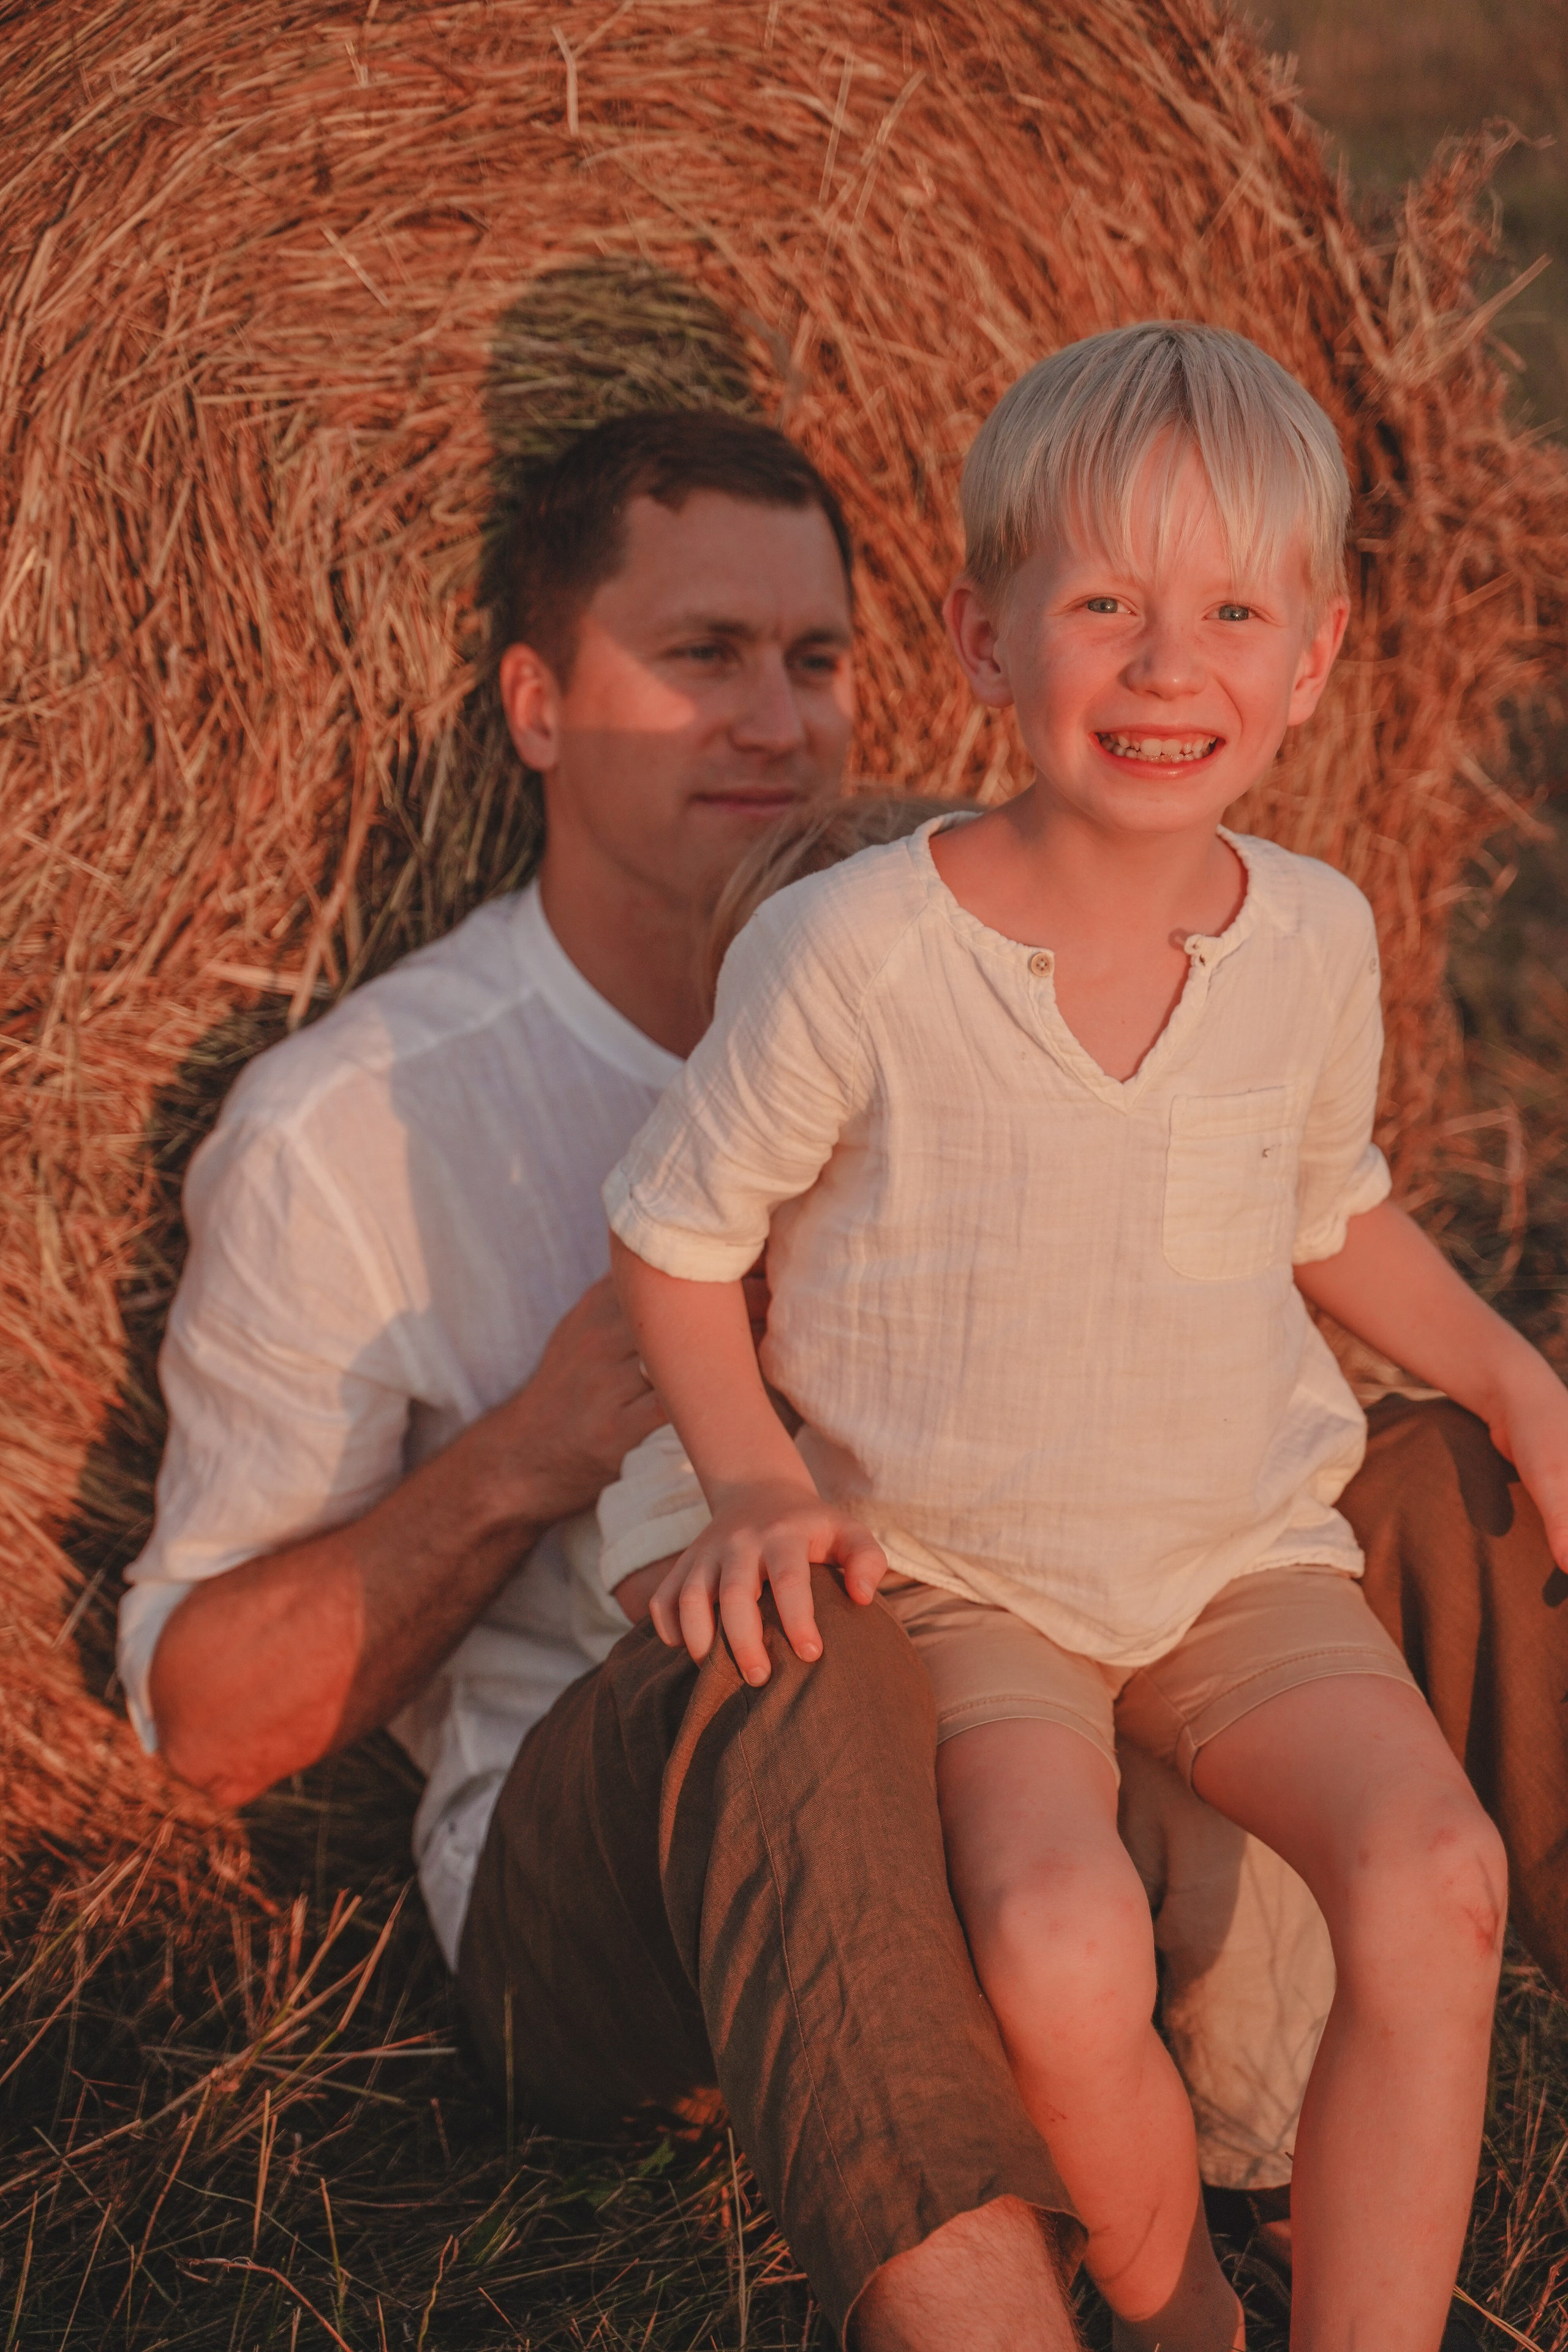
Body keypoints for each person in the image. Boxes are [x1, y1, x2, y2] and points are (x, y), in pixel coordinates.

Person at [119, 402, 1568, 2350]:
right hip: (647, 1855)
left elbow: (1299, 1222)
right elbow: (199, 1723)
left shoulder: (1108, 936)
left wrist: (1510, 1377)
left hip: (1087, 1644)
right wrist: (535, 1454)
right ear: (534, 704)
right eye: (698, 656)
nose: (779, 718)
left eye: (815, 658)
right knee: (808, 1638)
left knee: (1459, 1471)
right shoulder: (364, 1125)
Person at [606, 325, 1568, 2352]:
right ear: (979, 638)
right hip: (966, 1583)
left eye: (1232, 611)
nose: (1165, 666)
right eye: (1106, 605)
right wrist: (761, 1486)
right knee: (1056, 1941)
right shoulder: (853, 953)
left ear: (1311, 664)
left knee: (1436, 1871)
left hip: (1238, 1550)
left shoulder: (1313, 935)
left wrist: (1509, 1372)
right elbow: (677, 1248)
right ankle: (1186, 2300)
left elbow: (1330, 1214)